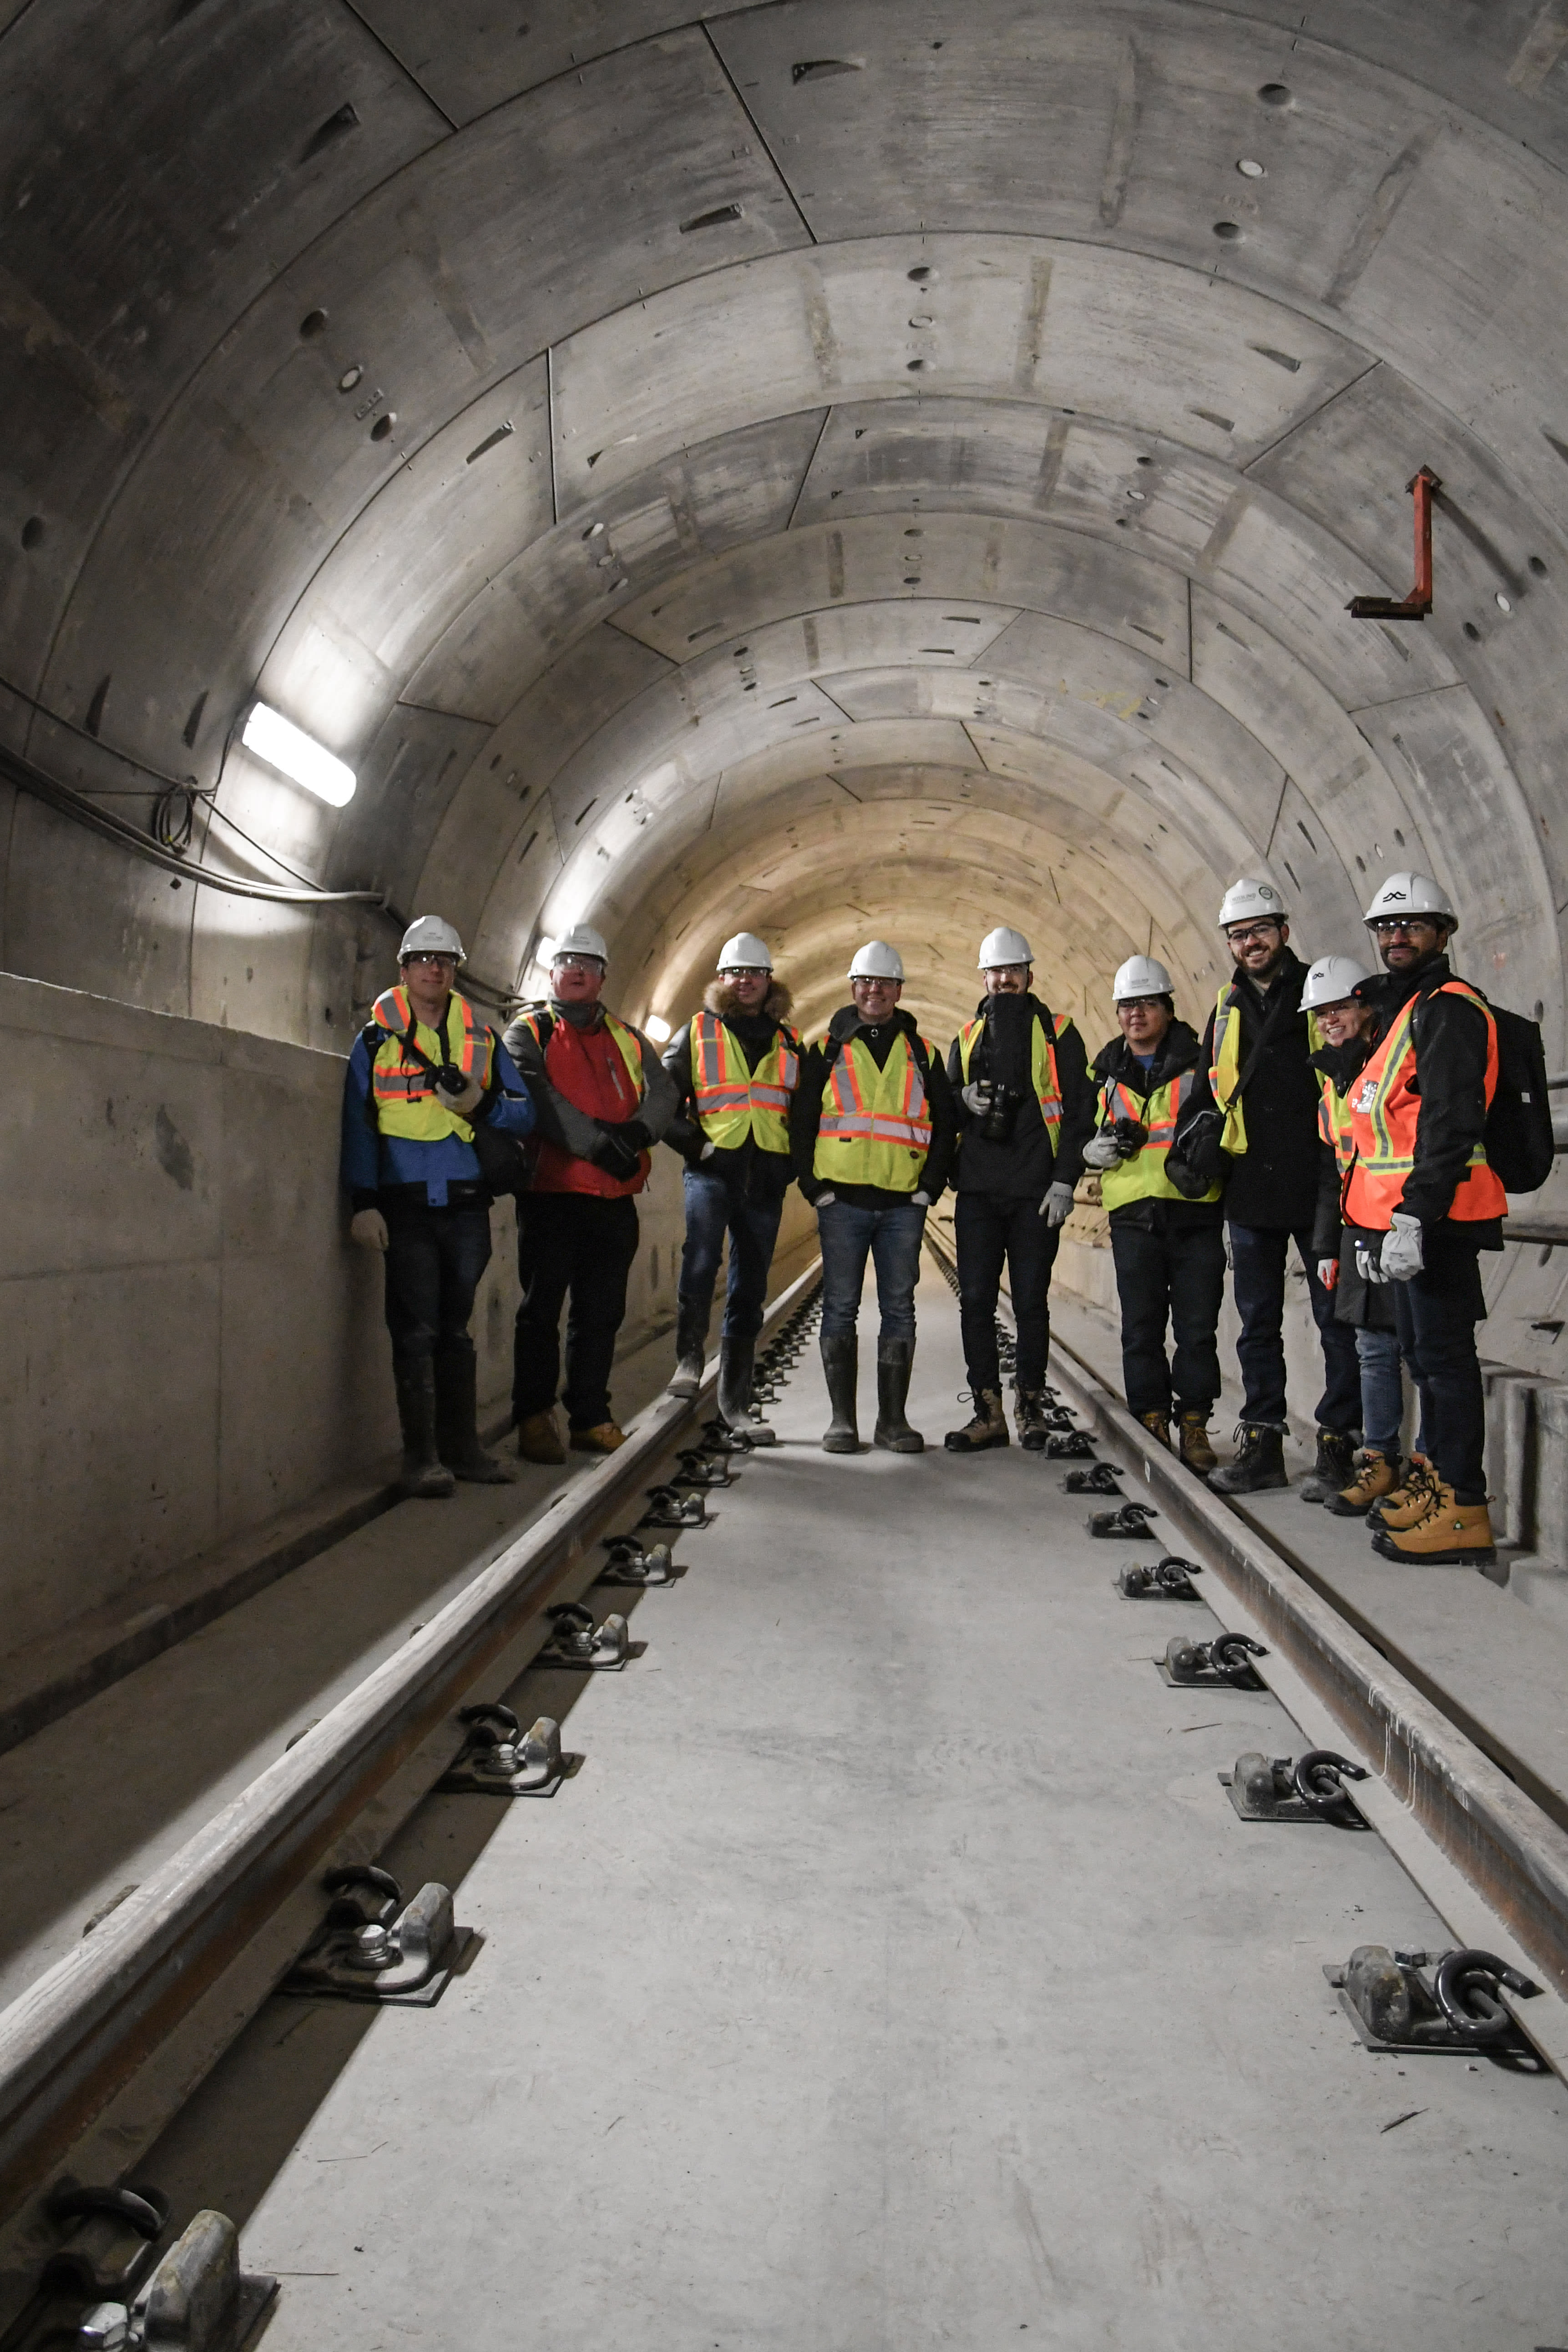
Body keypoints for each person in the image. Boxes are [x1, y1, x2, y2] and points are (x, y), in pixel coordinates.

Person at [341, 916, 536, 1497]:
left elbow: (524, 1114)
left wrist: (482, 1104)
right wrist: (363, 1203)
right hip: (403, 1207)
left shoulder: (481, 1035)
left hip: (466, 1203)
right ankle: (421, 1457)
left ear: (455, 971)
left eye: (445, 960)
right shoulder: (374, 1040)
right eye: (424, 959)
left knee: (456, 1328)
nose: (435, 968)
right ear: (403, 970)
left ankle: (463, 1450)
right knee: (416, 1329)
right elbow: (358, 1125)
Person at [1343, 874, 1505, 1565]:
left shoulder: (1450, 1009)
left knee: (1444, 1363)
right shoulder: (1408, 1012)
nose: (1395, 937)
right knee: (1423, 1358)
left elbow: (1448, 1121)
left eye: (1410, 925)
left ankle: (1464, 1504)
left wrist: (1411, 1218)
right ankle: (1435, 1481)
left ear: (1442, 933)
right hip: (1408, 1221)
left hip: (1440, 1219)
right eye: (1385, 927)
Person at [1194, 878, 1361, 1497]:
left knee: (1333, 1319)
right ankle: (1261, 1440)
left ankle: (1338, 1443)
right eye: (1239, 935)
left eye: (1259, 931)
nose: (1250, 942)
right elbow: (1211, 1090)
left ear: (1282, 933)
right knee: (1255, 1321)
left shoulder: (1318, 991)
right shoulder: (1226, 1005)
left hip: (1319, 1184)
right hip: (1249, 1189)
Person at [502, 925, 676, 1462]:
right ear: (552, 973)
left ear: (602, 977)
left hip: (614, 1198)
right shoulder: (527, 1029)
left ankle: (590, 1417)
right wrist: (598, 1144)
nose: (576, 971)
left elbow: (663, 1090)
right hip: (552, 1193)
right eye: (567, 962)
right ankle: (533, 1418)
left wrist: (638, 1133)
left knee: (600, 1313)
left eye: (588, 964)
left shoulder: (626, 1036)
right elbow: (536, 1093)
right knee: (541, 1310)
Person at [791, 941, 956, 1455]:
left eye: (884, 983)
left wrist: (928, 1187)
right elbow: (799, 1121)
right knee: (839, 1307)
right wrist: (812, 1187)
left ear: (898, 991)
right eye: (865, 982)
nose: (874, 990)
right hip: (840, 1202)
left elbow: (946, 1122)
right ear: (853, 988)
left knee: (898, 1308)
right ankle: (843, 1422)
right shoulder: (826, 1049)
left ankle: (892, 1422)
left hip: (902, 1205)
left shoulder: (922, 1052)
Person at [942, 926, 1094, 1451]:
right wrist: (962, 1098)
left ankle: (1029, 1406)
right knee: (976, 1303)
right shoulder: (964, 1037)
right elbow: (941, 1112)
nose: (1004, 979)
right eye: (995, 972)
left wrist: (1064, 1180)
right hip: (979, 1193)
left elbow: (1079, 1110)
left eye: (1013, 971)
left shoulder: (1059, 1032)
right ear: (983, 977)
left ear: (1029, 976)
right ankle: (987, 1411)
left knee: (1030, 1302)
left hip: (1035, 1191)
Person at [1082, 957, 1225, 1472]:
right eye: (1125, 1006)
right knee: (1140, 1326)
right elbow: (1084, 1129)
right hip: (1130, 1214)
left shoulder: (1200, 1065)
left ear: (1167, 1007)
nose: (1134, 1014)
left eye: (1144, 1003)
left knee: (1195, 1328)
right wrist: (1091, 1151)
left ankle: (1192, 1423)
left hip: (1192, 1210)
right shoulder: (1103, 1073)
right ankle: (1149, 1417)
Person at [662, 932, 801, 1442]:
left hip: (764, 1177)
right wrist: (697, 1148)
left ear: (769, 982)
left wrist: (788, 1166)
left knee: (751, 1286)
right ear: (722, 979)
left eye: (755, 974)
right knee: (700, 1261)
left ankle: (736, 1399)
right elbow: (661, 1100)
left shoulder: (788, 1041)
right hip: (711, 1172)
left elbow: (799, 1111)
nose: (745, 981)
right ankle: (689, 1359)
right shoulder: (696, 1031)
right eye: (736, 973)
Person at [1302, 952, 1427, 1516]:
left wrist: (1415, 1218)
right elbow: (1336, 1168)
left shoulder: (1391, 1061)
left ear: (1365, 1007)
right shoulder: (1333, 1078)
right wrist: (1327, 1245)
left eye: (1339, 1008)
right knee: (1372, 1349)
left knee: (1422, 1350)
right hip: (1359, 1228)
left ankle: (1426, 1466)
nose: (1329, 1020)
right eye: (1320, 1012)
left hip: (1406, 1221)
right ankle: (1379, 1460)